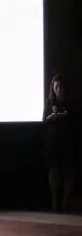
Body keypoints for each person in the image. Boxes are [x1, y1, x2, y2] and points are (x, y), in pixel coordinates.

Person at [44, 74, 76, 212]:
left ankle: (66, 200)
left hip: (69, 141)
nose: (59, 89)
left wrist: (66, 115)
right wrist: (52, 116)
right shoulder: (49, 103)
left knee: (69, 170)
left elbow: (76, 119)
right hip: (53, 141)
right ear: (53, 88)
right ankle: (55, 200)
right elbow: (44, 120)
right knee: (54, 170)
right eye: (57, 87)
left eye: (61, 86)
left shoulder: (71, 102)